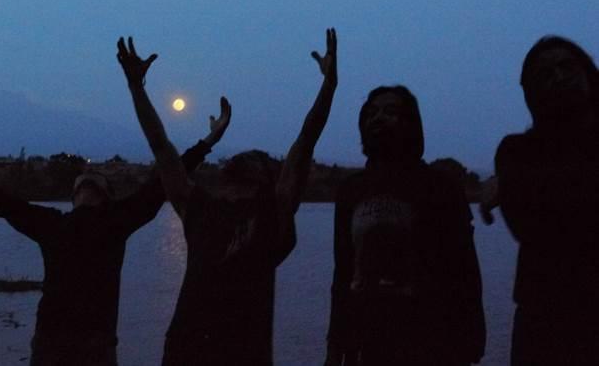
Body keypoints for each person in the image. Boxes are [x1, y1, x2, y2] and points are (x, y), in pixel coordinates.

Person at [0, 106, 230, 366]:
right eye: (82, 179)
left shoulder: (118, 220)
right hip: (51, 343)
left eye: (96, 178)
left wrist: (209, 141)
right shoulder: (53, 224)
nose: (88, 178)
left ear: (108, 195)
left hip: (97, 344)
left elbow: (167, 176)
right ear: (73, 196)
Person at [117, 29, 337, 366]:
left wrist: (329, 85)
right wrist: (136, 87)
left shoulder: (272, 212)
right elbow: (160, 146)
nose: (242, 159)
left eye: (254, 159)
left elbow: (306, 140)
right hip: (185, 352)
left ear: (265, 180)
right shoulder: (200, 207)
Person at [325, 85, 485, 366]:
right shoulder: (351, 190)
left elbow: (464, 269)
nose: (378, 118)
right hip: (365, 343)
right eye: (371, 113)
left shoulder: (441, 187)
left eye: (390, 111)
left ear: (411, 123)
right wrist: (335, 346)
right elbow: (343, 273)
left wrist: (471, 339)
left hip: (431, 342)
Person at [494, 36, 599, 365]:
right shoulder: (515, 152)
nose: (558, 76)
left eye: (566, 66)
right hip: (544, 324)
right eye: (544, 74)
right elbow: (536, 224)